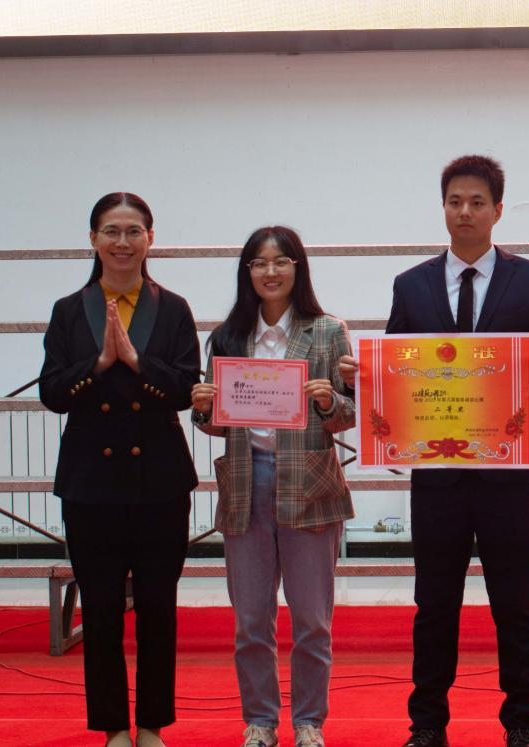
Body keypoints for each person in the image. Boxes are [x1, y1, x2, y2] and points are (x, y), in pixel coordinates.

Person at [339, 155, 529, 747]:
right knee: (434, 603)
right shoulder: (412, 285)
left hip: (507, 475)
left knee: (515, 603)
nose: (465, 212)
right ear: (443, 208)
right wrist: (360, 379)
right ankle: (427, 724)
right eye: (455, 202)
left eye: (477, 202)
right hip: (437, 475)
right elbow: (395, 370)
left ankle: (522, 723)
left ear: (498, 210)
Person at [40, 192, 200, 747]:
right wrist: (99, 364)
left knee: (158, 607)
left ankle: (152, 724)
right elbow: (51, 393)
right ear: (93, 239)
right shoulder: (69, 310)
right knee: (102, 609)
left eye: (134, 231)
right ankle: (112, 727)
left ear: (150, 239)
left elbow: (186, 389)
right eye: (111, 231)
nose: (123, 242)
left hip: (159, 482)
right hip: (90, 484)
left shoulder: (173, 308)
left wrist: (135, 361)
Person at [191, 226, 357, 747]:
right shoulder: (227, 336)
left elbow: (350, 415)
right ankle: (260, 721)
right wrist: (203, 410)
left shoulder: (327, 331)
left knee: (312, 618)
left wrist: (329, 401)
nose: (270, 272)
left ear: (297, 268)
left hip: (309, 482)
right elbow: (218, 424)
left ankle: (309, 722)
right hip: (247, 481)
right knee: (250, 619)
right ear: (247, 272)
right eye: (259, 263)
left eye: (281, 261)